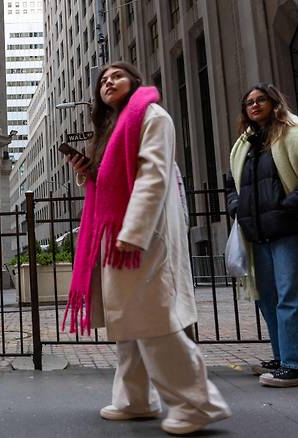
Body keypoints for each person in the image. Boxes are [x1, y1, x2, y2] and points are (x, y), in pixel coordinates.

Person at [63, 62, 231, 435]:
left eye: (116, 76)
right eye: (103, 81)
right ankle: (134, 399)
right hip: (121, 234)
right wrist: (86, 171)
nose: (108, 82)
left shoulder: (152, 116)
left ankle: (197, 403)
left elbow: (153, 176)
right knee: (128, 320)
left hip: (142, 235)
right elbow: (109, 182)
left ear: (135, 81)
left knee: (153, 319)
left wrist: (134, 231)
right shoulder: (112, 128)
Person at [225, 83, 298, 388]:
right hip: (257, 233)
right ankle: (281, 357)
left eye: (260, 100)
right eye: (249, 103)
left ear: (273, 102)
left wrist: (286, 207)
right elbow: (232, 183)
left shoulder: (290, 133)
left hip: (287, 230)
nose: (254, 105)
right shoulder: (245, 143)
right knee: (266, 298)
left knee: (289, 296)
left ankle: (293, 363)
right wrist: (235, 206)